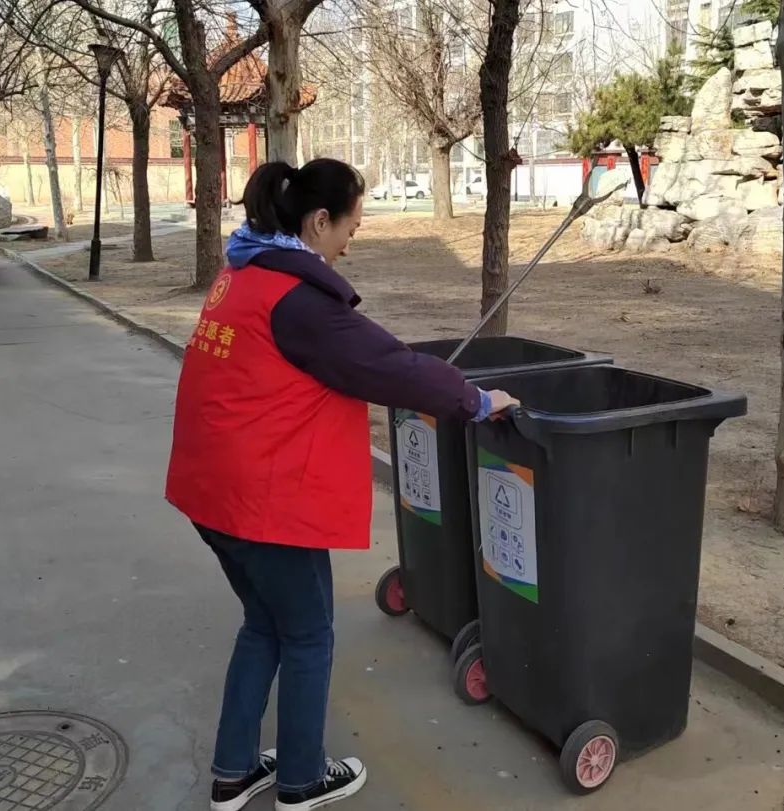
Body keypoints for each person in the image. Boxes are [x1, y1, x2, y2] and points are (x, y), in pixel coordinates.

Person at [165, 158, 519, 811]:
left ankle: (233, 769)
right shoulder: (298, 301)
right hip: (259, 503)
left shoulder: (242, 272)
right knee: (306, 632)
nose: (351, 241)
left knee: (264, 623)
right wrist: (473, 399)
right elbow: (389, 366)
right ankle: (301, 778)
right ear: (319, 220)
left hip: (210, 492)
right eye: (350, 226)